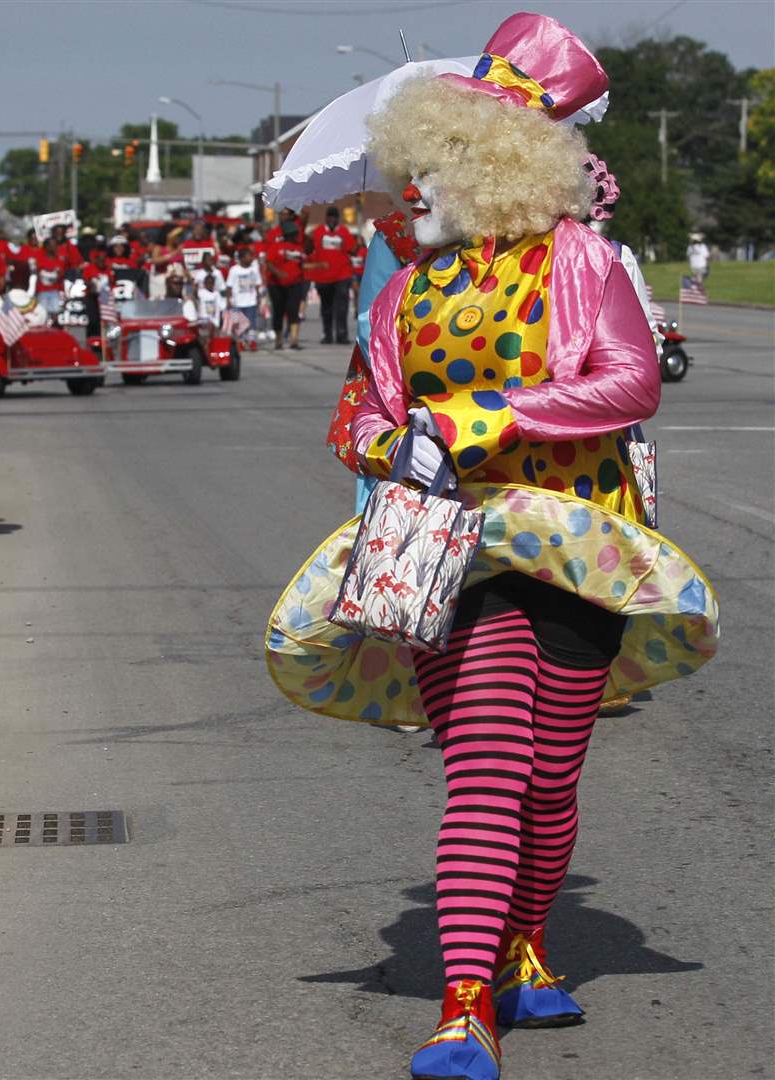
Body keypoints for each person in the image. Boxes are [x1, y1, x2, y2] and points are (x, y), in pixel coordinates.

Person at [264, 15, 719, 1080]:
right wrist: (391, 443)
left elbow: (628, 383)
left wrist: (475, 421)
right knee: (481, 768)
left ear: (497, 167)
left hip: (575, 550)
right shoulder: (411, 294)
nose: (411, 186)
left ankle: (525, 945)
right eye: (413, 165)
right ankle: (464, 1007)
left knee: (548, 782)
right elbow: (355, 414)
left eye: (436, 165)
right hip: (443, 552)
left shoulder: (581, 262)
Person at [308, 206, 355, 344]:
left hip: (342, 276)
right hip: (323, 277)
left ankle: (342, 335)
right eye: (330, 217)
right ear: (326, 218)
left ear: (338, 219)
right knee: (326, 308)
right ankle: (327, 334)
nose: (332, 220)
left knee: (342, 308)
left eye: (335, 217)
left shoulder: (344, 232)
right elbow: (311, 249)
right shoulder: (319, 231)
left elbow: (352, 249)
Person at [263, 218, 304, 350]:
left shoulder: (299, 248)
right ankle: (279, 341)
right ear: (288, 234)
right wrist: (279, 273)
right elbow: (268, 263)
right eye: (294, 233)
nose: (296, 236)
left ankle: (294, 340)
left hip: (295, 284)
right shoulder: (276, 247)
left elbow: (303, 263)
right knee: (278, 311)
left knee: (293, 311)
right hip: (276, 285)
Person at [226, 246, 264, 350]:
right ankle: (241, 341)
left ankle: (252, 341)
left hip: (251, 301)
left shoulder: (254, 269)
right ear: (241, 258)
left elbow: (257, 284)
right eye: (248, 256)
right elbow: (229, 286)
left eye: (251, 256)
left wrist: (259, 297)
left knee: (251, 322)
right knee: (240, 324)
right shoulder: (234, 270)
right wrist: (228, 299)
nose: (251, 258)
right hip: (238, 302)